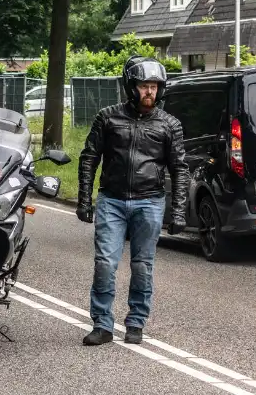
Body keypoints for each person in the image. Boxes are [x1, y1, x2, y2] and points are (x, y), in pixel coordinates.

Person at [76, 56, 189, 346]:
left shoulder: (170, 125)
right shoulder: (108, 117)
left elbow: (180, 168)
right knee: (105, 263)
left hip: (150, 202)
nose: (149, 92)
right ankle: (102, 324)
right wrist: (84, 199)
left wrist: (178, 212)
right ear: (131, 87)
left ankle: (136, 322)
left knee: (142, 265)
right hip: (111, 201)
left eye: (154, 86)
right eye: (143, 86)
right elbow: (90, 158)